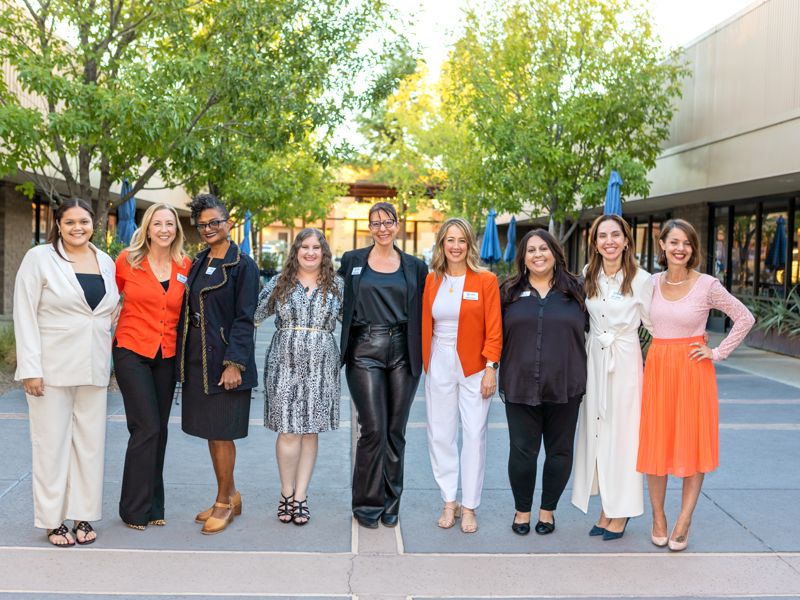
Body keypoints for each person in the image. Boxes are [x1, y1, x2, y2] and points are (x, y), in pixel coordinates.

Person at [637, 218, 754, 551]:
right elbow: (636, 317)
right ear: (662, 245)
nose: (680, 248)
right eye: (674, 242)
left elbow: (745, 317)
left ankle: (684, 519)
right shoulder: (652, 283)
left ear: (693, 249)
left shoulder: (707, 285)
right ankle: (658, 517)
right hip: (658, 368)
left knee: (692, 445)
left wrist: (717, 352)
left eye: (686, 243)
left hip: (693, 371)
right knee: (656, 445)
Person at [14, 198, 120, 546]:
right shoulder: (39, 258)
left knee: (90, 446)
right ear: (58, 224)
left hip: (93, 367)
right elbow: (24, 313)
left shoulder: (104, 262)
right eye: (70, 222)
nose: (78, 227)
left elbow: (109, 314)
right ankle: (52, 519)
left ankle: (83, 515)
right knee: (51, 445)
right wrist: (30, 368)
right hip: (51, 368)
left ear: (94, 224)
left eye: (84, 221)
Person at [339, 201, 428, 529]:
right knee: (373, 429)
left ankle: (392, 503)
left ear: (397, 224)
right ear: (369, 227)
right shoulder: (352, 261)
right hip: (364, 350)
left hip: (403, 350)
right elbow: (332, 294)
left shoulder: (415, 266)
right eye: (375, 223)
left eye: (387, 222)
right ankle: (366, 504)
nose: (382, 228)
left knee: (395, 430)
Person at [175, 193, 259, 535]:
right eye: (203, 224)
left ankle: (224, 504)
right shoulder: (198, 261)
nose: (209, 228)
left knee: (223, 433)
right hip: (198, 358)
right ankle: (230, 494)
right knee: (212, 432)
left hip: (225, 360)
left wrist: (234, 363)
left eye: (215, 222)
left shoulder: (243, 265)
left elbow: (245, 317)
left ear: (228, 223)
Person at [499, 229, 587, 536]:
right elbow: (493, 334)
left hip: (566, 384)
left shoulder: (577, 290)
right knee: (522, 451)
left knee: (560, 451)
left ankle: (547, 510)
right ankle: (522, 509)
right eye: (531, 250)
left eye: (543, 249)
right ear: (523, 258)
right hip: (519, 384)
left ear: (555, 252)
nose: (538, 255)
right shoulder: (508, 291)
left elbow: (611, 324)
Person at [571, 215, 652, 540]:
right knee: (598, 433)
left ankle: (623, 509)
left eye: (615, 235)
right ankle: (607, 506)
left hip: (625, 362)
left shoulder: (643, 280)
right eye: (602, 236)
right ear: (595, 243)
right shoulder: (588, 275)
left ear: (626, 240)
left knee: (624, 437)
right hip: (595, 360)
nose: (609, 241)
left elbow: (655, 325)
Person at [255, 228, 344, 526]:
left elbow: (359, 321)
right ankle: (286, 493)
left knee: (309, 431)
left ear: (324, 253)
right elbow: (252, 316)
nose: (310, 252)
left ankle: (302, 497)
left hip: (322, 366)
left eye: (316, 247)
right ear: (295, 252)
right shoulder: (279, 284)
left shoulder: (337, 286)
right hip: (284, 363)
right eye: (304, 247)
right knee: (288, 431)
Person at [421, 218, 502, 533]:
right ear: (441, 244)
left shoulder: (485, 280)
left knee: (473, 435)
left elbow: (494, 328)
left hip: (474, 366)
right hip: (440, 360)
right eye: (449, 240)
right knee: (440, 434)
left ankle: (469, 506)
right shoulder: (432, 280)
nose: (455, 246)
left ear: (469, 245)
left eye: (461, 241)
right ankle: (448, 500)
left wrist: (490, 368)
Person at [114, 203, 191, 530]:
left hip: (167, 354)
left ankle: (153, 506)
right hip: (131, 350)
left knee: (160, 429)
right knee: (145, 427)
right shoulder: (126, 262)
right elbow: (107, 304)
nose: (163, 229)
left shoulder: (184, 264)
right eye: (157, 223)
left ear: (176, 229)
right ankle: (133, 509)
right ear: (146, 228)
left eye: (169, 224)